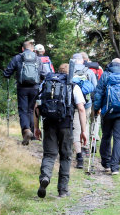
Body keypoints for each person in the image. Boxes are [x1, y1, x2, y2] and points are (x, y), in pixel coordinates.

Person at [34, 63, 87, 198]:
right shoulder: (73, 86)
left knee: (49, 154)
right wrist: (83, 131)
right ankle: (63, 190)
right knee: (65, 156)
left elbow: (36, 106)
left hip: (49, 124)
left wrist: (36, 127)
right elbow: (81, 109)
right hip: (66, 125)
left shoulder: (45, 84)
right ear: (70, 74)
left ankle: (45, 177)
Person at [3, 40, 43, 145]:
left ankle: (26, 130)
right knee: (30, 110)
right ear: (33, 49)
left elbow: (7, 72)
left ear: (22, 49)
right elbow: (43, 74)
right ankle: (31, 133)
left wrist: (7, 75)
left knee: (23, 110)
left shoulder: (18, 57)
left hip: (22, 88)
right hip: (34, 88)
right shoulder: (37, 59)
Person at [69, 53, 96, 169]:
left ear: (73, 61)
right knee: (85, 124)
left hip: (74, 104)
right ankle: (86, 148)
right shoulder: (89, 71)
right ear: (82, 61)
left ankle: (79, 156)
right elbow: (95, 87)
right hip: (87, 103)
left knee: (76, 128)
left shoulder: (69, 71)